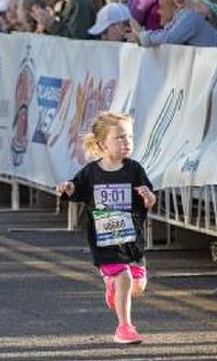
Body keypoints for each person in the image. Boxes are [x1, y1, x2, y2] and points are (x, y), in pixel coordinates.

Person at [56, 112, 156, 344]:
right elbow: (75, 190)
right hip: (105, 241)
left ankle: (113, 289)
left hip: (131, 239)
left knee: (137, 286)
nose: (126, 142)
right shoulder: (91, 172)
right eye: (119, 137)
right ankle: (124, 327)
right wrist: (68, 188)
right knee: (124, 278)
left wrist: (149, 196)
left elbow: (149, 199)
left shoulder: (134, 170)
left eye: (129, 137)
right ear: (102, 144)